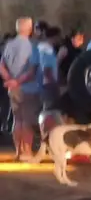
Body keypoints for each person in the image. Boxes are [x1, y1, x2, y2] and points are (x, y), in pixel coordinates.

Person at [1, 17, 42, 160]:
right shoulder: (32, 46)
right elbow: (32, 70)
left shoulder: (9, 45)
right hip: (28, 88)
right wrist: (17, 81)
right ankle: (27, 151)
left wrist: (10, 80)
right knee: (27, 120)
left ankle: (18, 151)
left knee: (17, 120)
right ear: (30, 29)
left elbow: (1, 66)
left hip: (12, 89)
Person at [37, 26, 62, 108]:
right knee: (50, 110)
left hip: (44, 87)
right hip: (48, 88)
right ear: (55, 37)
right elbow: (46, 70)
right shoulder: (46, 49)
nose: (60, 39)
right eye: (59, 36)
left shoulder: (44, 48)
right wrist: (54, 86)